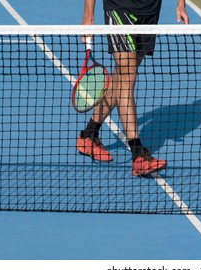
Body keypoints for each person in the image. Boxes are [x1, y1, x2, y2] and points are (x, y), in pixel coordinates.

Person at [76, 0, 189, 176]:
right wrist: (88, 17)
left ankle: (89, 135)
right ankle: (138, 154)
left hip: (150, 12)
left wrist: (181, 5)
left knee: (123, 75)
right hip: (121, 8)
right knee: (128, 76)